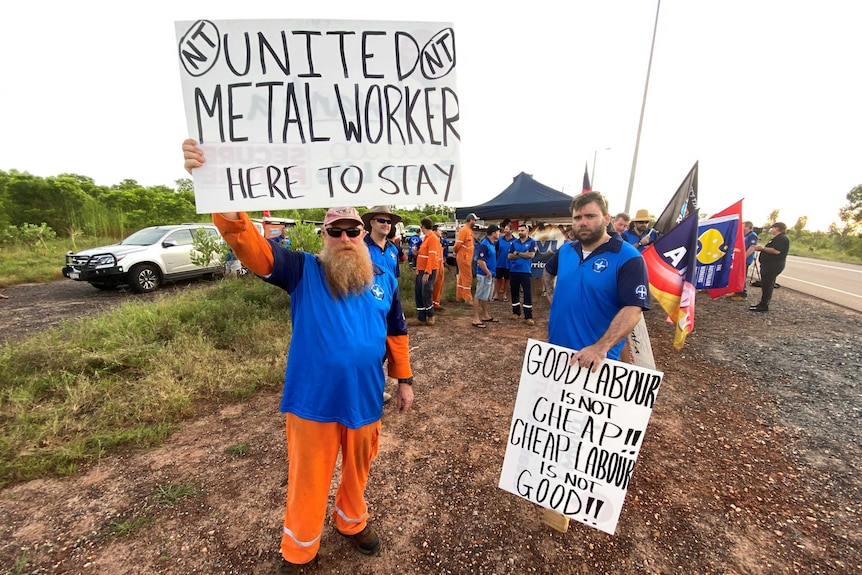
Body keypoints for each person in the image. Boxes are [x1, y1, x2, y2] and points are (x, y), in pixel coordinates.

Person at [183, 140, 415, 575]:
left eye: (352, 231)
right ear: (324, 236)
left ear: (364, 235)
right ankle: (300, 550)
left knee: (358, 471)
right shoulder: (301, 269)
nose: (345, 238)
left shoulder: (383, 275)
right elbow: (252, 249)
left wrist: (404, 379)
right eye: (336, 231)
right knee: (308, 478)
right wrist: (221, 189)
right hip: (313, 400)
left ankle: (351, 521)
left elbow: (396, 330)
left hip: (366, 396)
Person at [543, 192, 651, 369]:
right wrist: (550, 294)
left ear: (606, 218)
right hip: (558, 355)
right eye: (577, 217)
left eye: (590, 216)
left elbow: (633, 309)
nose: (583, 222)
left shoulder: (629, 257)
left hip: (596, 362)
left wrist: (601, 347)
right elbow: (548, 271)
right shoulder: (567, 250)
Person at [749, 222, 790, 313]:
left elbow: (776, 251)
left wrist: (762, 248)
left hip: (773, 265)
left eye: (773, 228)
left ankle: (764, 305)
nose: (771, 230)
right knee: (766, 284)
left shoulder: (781, 238)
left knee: (767, 285)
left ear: (777, 228)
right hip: (769, 264)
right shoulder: (778, 238)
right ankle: (762, 303)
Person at [411, 218, 441, 326]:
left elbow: (432, 256)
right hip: (421, 270)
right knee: (419, 293)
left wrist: (427, 272)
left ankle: (431, 315)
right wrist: (417, 253)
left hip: (428, 270)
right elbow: (424, 254)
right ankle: (421, 317)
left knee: (426, 293)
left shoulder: (432, 238)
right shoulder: (426, 239)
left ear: (423, 227)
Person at [362, 206, 403, 279]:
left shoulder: (393, 249)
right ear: (372, 223)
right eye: (381, 220)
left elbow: (394, 279)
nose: (386, 224)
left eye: (389, 222)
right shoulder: (361, 248)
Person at [508, 224, 537, 326]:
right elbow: (510, 256)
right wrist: (524, 254)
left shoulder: (532, 242)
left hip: (526, 271)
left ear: (527, 231)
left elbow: (531, 255)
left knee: (527, 294)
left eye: (522, 230)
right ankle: (516, 312)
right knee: (514, 292)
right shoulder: (514, 242)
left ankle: (528, 316)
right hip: (514, 271)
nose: (520, 232)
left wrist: (518, 253)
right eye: (519, 230)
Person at [472, 224, 500, 328]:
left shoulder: (491, 244)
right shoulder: (484, 244)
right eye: (497, 232)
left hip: (490, 274)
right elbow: (480, 260)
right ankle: (475, 318)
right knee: (479, 296)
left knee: (485, 297)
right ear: (493, 233)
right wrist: (487, 272)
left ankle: (485, 315)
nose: (499, 234)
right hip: (484, 274)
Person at [729, 221, 758, 301]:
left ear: (748, 227)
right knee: (737, 275)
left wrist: (743, 257)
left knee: (742, 275)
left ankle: (743, 294)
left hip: (746, 259)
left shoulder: (752, 235)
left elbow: (752, 247)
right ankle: (737, 291)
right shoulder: (744, 235)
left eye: (743, 226)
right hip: (739, 259)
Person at [454, 213, 477, 303]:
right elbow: (457, 245)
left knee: (461, 277)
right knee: (468, 277)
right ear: (470, 220)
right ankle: (467, 298)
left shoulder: (468, 230)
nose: (475, 222)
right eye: (474, 220)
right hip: (464, 257)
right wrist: (456, 252)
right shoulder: (464, 230)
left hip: (466, 257)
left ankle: (460, 296)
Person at [495, 224, 514, 302]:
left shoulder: (515, 241)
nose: (505, 231)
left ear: (511, 231)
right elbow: (496, 250)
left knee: (507, 279)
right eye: (505, 229)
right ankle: (496, 294)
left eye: (507, 229)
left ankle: (505, 294)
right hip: (499, 263)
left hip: (509, 264)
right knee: (497, 279)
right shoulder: (500, 240)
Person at [431, 224, 446, 311]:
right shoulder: (433, 240)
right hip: (436, 264)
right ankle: (432, 303)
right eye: (439, 230)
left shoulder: (438, 240)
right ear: (434, 231)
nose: (441, 232)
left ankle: (436, 302)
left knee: (439, 284)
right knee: (434, 284)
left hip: (440, 263)